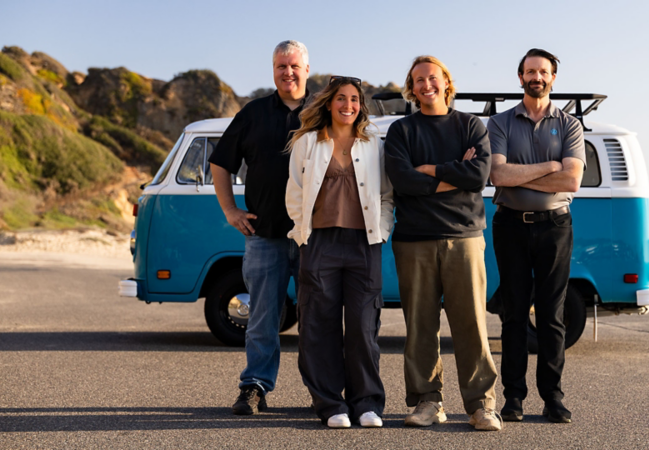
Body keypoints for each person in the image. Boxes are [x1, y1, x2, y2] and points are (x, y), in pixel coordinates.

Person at [384, 55, 501, 432]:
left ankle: (481, 405)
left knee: (471, 324)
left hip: (464, 237)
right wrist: (455, 171)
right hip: (413, 240)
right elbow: (402, 180)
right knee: (419, 326)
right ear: (412, 87)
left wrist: (431, 170)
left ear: (446, 82)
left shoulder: (470, 125)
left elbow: (479, 174)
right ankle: (426, 401)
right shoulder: (402, 130)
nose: (425, 85)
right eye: (417, 80)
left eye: (431, 78)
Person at [285, 76, 394, 429]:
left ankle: (366, 404)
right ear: (329, 103)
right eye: (341, 99)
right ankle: (331, 404)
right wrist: (305, 236)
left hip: (365, 244)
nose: (348, 105)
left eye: (354, 100)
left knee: (363, 327)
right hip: (320, 244)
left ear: (361, 105)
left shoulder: (373, 141)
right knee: (319, 326)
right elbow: (295, 192)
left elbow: (387, 193)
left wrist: (383, 230)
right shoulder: (307, 142)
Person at [208, 40, 310, 415]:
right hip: (264, 235)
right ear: (273, 71)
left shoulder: (323, 111)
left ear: (307, 70)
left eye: (294, 66)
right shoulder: (252, 113)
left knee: (317, 317)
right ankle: (254, 387)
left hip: (313, 237)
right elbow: (221, 163)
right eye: (281, 66)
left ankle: (323, 391)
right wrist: (230, 210)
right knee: (263, 318)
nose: (288, 72)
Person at [487, 48, 585, 424]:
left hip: (555, 226)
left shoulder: (571, 125)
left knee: (551, 315)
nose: (536, 77)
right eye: (530, 71)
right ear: (520, 76)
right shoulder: (499, 123)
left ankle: (553, 398)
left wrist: (521, 172)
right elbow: (498, 175)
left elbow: (572, 179)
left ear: (553, 78)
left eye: (543, 72)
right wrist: (549, 166)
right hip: (509, 224)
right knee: (513, 313)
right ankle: (513, 398)